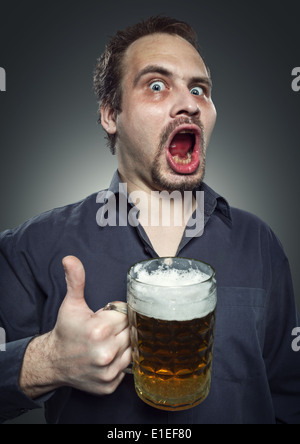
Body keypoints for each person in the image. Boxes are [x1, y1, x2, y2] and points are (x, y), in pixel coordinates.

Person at [0, 16, 299, 425]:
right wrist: (46, 362)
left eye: (199, 89)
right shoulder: (35, 244)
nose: (189, 103)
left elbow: (288, 395)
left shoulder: (259, 241)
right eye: (157, 85)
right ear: (110, 115)